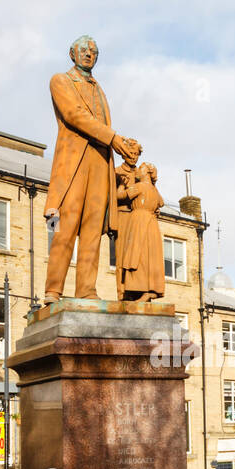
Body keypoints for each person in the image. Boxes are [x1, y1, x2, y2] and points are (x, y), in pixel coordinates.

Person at [42, 35, 139, 302]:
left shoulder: (99, 89)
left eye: (94, 51)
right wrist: (114, 138)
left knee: (92, 233)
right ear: (72, 54)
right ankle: (53, 290)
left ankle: (87, 290)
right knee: (64, 227)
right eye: (83, 50)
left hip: (100, 164)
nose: (89, 54)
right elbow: (75, 115)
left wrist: (122, 145)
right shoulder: (60, 80)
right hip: (73, 164)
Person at [115, 162, 167, 301]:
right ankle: (150, 290)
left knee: (138, 255)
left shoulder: (139, 186)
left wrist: (121, 183)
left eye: (141, 168)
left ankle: (143, 289)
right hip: (151, 223)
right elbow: (161, 203)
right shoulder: (154, 190)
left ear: (147, 173)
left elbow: (120, 196)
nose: (137, 170)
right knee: (149, 256)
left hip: (139, 220)